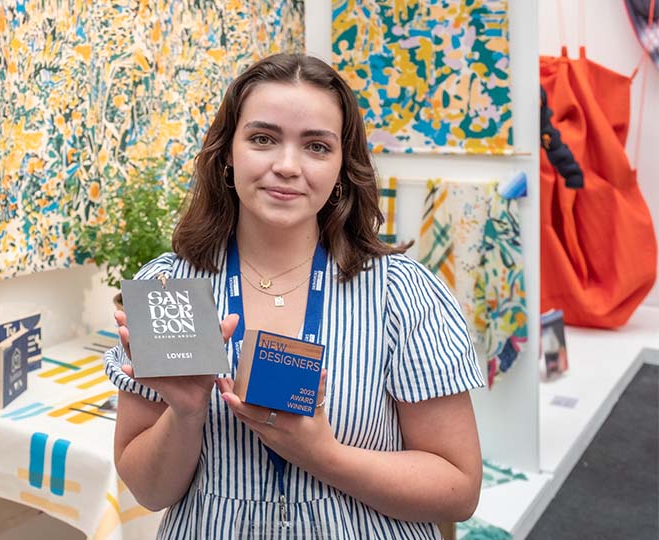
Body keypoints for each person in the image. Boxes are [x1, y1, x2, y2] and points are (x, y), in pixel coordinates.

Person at [104, 53, 484, 539]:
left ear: (343, 166)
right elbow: (149, 492)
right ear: (227, 154)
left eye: (316, 147)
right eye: (263, 139)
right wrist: (186, 410)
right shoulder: (171, 287)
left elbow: (459, 488)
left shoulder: (401, 292)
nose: (286, 166)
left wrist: (321, 455)